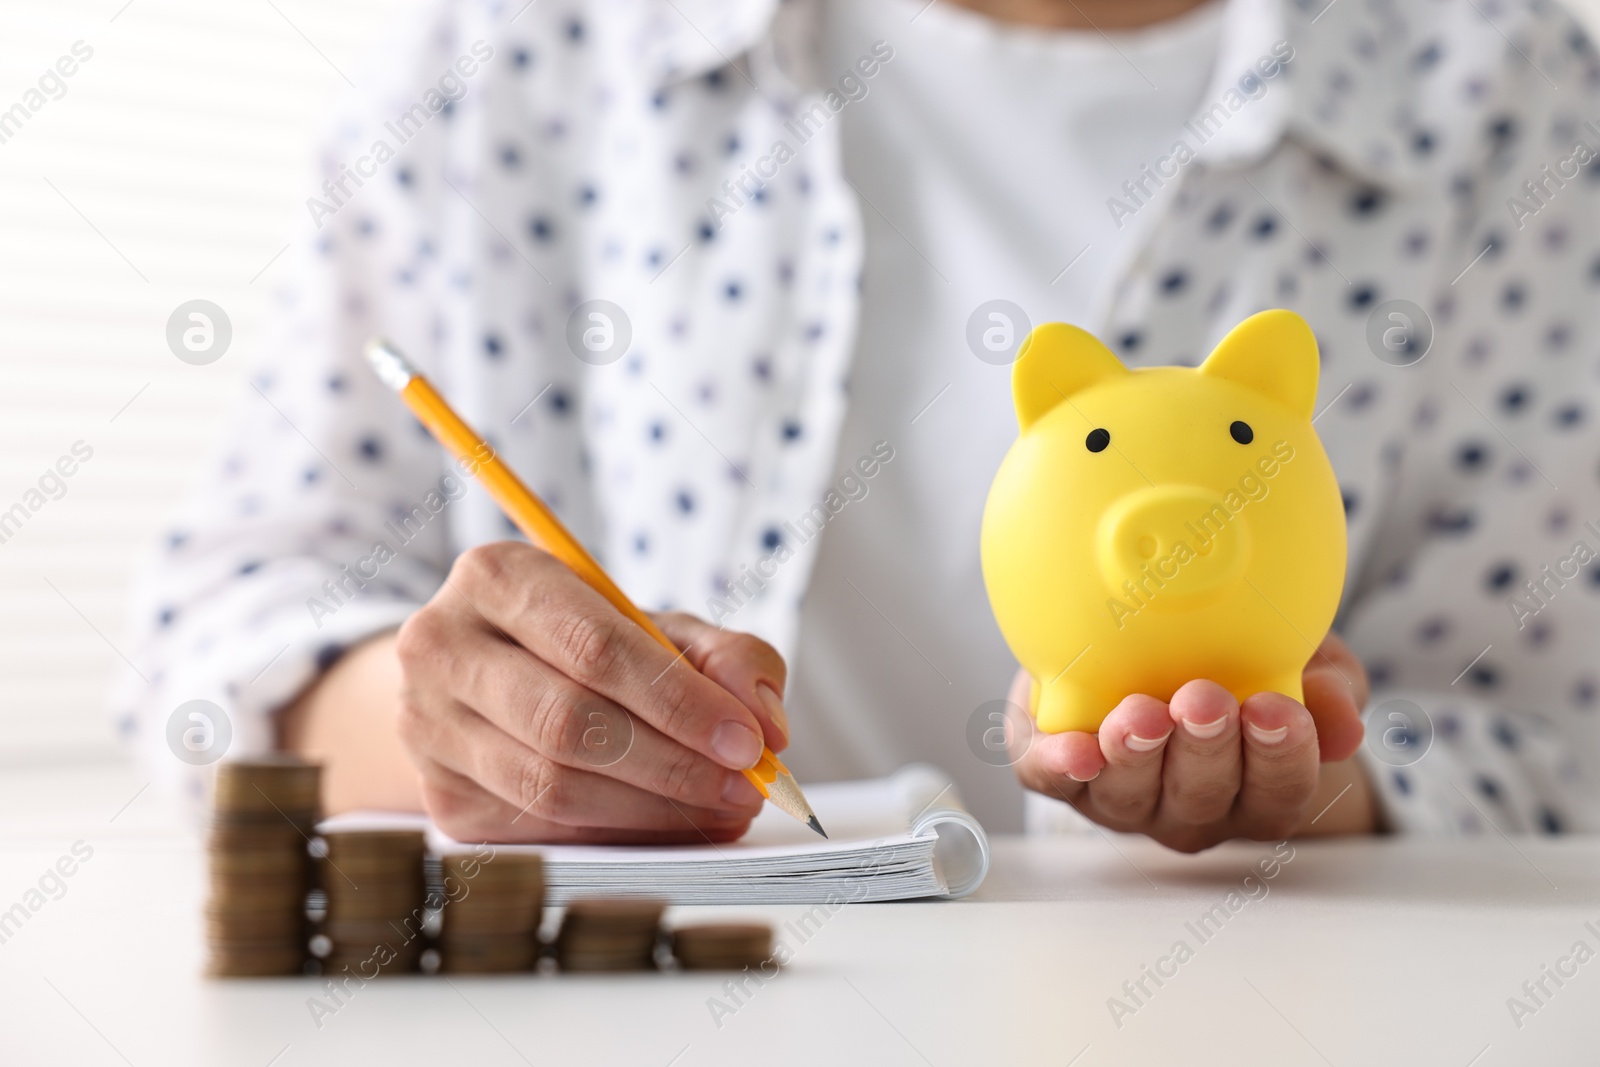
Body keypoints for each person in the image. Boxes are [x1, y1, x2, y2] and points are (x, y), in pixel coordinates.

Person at [120, 0, 1600, 849]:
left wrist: (1325, 786)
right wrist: (444, 716)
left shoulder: (1513, 103)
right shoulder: (512, 61)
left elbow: (1556, 737)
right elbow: (209, 649)